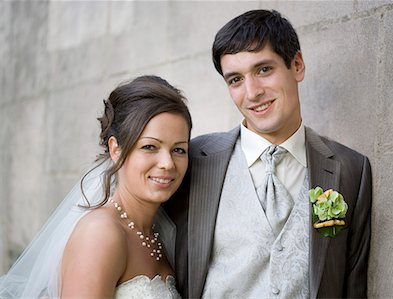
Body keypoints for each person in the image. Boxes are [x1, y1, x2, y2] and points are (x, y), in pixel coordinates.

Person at [169, 9, 372, 299]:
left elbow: (353, 286)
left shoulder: (352, 169)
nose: (252, 92)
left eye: (263, 69)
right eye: (235, 80)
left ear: (297, 65)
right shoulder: (195, 161)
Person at [0, 75, 192, 298]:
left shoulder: (161, 232)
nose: (168, 163)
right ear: (116, 149)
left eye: (179, 149)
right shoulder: (101, 233)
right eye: (150, 146)